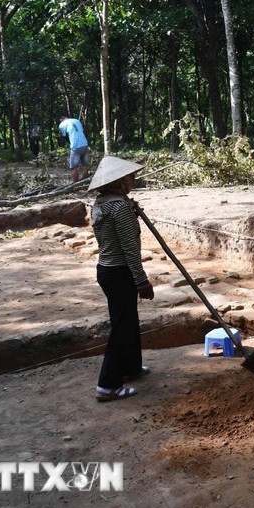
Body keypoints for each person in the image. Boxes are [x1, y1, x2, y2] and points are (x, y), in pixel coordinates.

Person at [88, 156, 155, 402]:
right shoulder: (120, 208)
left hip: (106, 270)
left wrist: (130, 209)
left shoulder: (101, 203)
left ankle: (131, 367)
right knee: (121, 327)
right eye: (129, 178)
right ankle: (108, 386)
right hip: (120, 272)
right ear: (118, 181)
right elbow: (129, 249)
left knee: (127, 320)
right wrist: (141, 281)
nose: (132, 181)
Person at [58, 112, 89, 182]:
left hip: (76, 146)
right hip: (85, 144)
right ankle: (86, 181)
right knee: (84, 165)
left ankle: (75, 184)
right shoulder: (77, 121)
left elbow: (65, 137)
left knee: (74, 167)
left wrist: (70, 144)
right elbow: (81, 132)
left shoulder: (62, 125)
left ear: (61, 119)